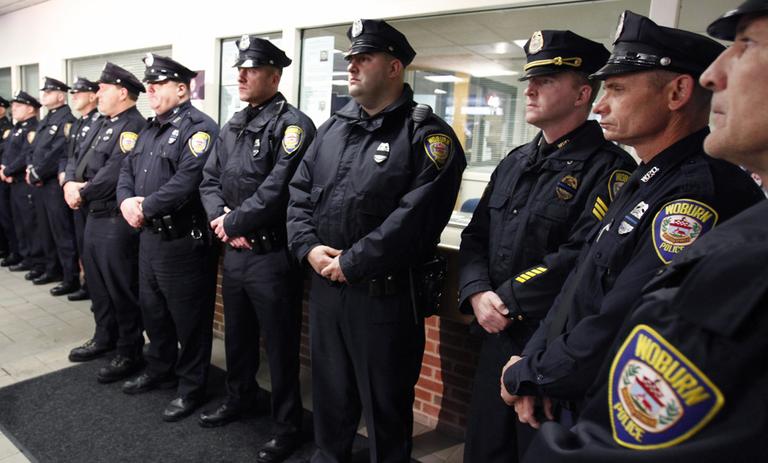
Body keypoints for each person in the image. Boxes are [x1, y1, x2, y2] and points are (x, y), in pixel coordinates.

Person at [521, 2, 768, 461]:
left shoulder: (699, 193)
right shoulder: (645, 176)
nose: (599, 105)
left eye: (747, 44)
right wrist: (531, 364)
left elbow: (618, 316)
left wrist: (534, 372)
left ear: (676, 93)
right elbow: (581, 284)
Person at [287, 18, 466, 463]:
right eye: (350, 58)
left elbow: (414, 221)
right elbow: (297, 196)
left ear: (394, 67)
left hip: (384, 300)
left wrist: (353, 262)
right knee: (330, 397)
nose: (351, 66)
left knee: (385, 409)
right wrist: (308, 247)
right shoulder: (332, 130)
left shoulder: (428, 137)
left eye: (363, 58)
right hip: (328, 288)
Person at [459, 30, 636, 463]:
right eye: (529, 81)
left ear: (582, 93)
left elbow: (580, 258)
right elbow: (475, 235)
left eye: (547, 80)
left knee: (534, 450)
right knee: (483, 447)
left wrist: (503, 299)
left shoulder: (610, 169)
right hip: (494, 330)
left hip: (550, 341)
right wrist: (478, 291)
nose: (532, 89)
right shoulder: (516, 159)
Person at [198, 37, 315, 462]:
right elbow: (209, 179)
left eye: (252, 69)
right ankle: (240, 396)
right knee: (238, 335)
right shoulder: (232, 124)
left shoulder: (294, 125)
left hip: (271, 256)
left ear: (275, 74)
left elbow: (279, 188)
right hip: (236, 253)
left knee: (282, 346)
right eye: (239, 70)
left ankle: (287, 426)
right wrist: (224, 224)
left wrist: (233, 222)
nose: (242, 76)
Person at [117, 53, 219, 422]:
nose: (150, 90)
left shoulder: (200, 128)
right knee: (154, 311)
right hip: (150, 240)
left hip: (183, 242)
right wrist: (126, 200)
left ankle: (192, 387)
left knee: (189, 321)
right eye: (149, 84)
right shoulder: (148, 128)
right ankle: (160, 368)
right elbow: (126, 169)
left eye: (157, 85)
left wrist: (145, 207)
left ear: (181, 88)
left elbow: (189, 181)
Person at [65, 65, 146, 378]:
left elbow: (115, 172)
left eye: (103, 88)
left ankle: (129, 351)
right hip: (92, 215)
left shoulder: (133, 126)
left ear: (122, 92)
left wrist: (80, 192)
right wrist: (69, 182)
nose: (97, 94)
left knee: (120, 287)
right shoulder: (101, 122)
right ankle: (104, 337)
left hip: (113, 219)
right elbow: (76, 154)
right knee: (97, 284)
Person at [28, 77, 79, 295]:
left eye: (48, 93)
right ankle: (52, 269)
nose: (44, 96)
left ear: (60, 95)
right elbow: (34, 147)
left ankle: (70, 277)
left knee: (62, 232)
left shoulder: (67, 120)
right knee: (46, 230)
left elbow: (58, 152)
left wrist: (38, 171)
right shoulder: (46, 119)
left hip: (52, 185)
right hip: (39, 183)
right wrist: (31, 167)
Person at [62, 76, 102, 302]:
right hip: (76, 190)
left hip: (90, 194)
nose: (74, 96)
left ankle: (90, 287)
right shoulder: (78, 122)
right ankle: (87, 285)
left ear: (92, 95)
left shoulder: (98, 121)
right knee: (81, 242)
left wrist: (80, 188)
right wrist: (68, 181)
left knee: (90, 247)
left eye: (79, 93)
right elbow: (71, 156)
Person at [1, 92, 45, 277]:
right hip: (12, 182)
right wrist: (4, 167)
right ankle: (23, 255)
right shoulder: (17, 128)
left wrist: (8, 170)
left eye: (18, 106)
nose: (14, 109)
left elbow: (25, 155)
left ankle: (36, 261)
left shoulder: (33, 128)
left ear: (29, 109)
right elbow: (7, 152)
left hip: (23, 182)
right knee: (17, 221)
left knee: (29, 223)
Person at [0, 95, 21, 267]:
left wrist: (5, 169)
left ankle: (14, 251)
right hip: (5, 173)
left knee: (9, 217)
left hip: (8, 177)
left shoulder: (7, 128)